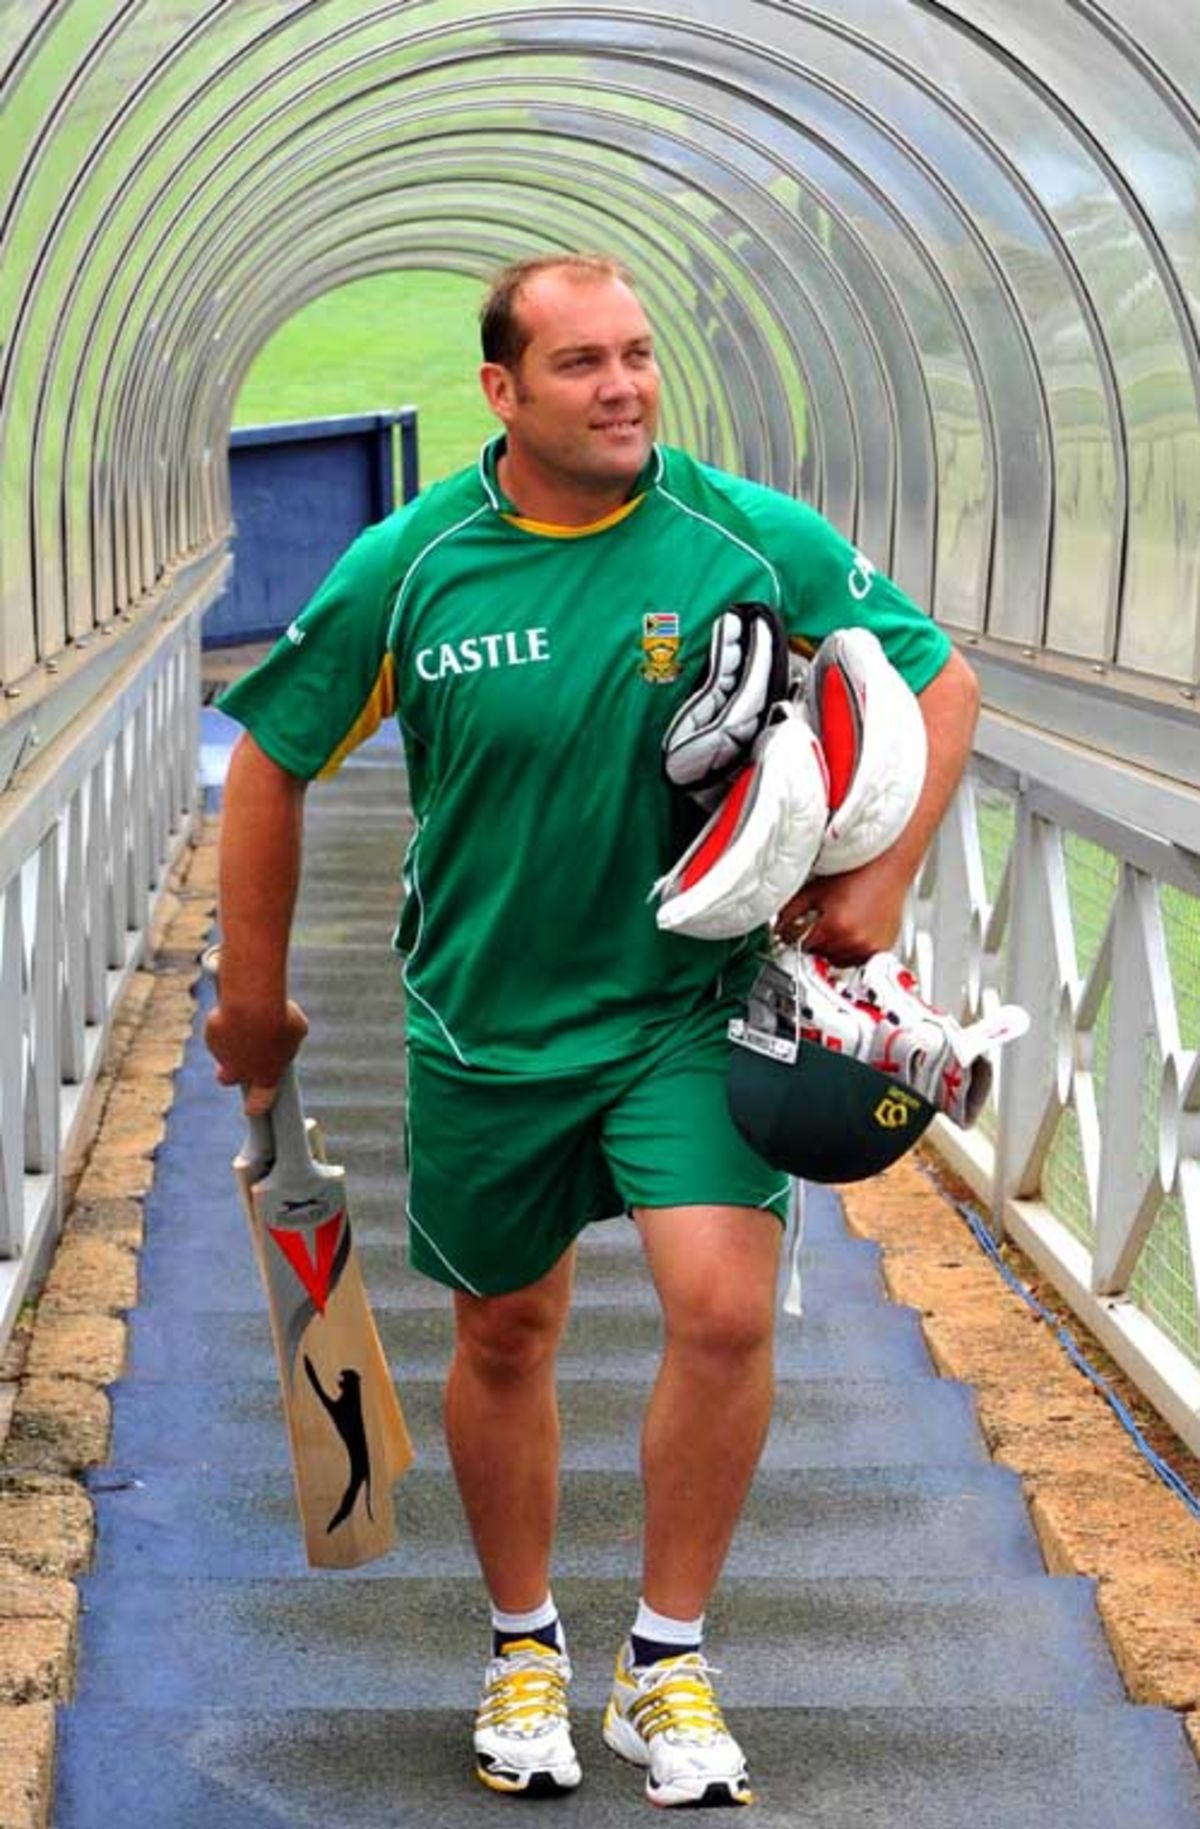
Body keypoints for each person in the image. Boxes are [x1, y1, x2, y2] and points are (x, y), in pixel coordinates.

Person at [206, 251, 980, 1808]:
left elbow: (935, 675)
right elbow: (269, 761)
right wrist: (254, 996)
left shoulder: (744, 535)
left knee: (722, 1306)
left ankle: (667, 1660)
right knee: (506, 1328)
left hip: (689, 1010)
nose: (623, 387)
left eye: (636, 357)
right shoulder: (412, 565)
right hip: (485, 1022)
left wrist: (880, 883)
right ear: (501, 390)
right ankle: (522, 1644)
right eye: (581, 365)